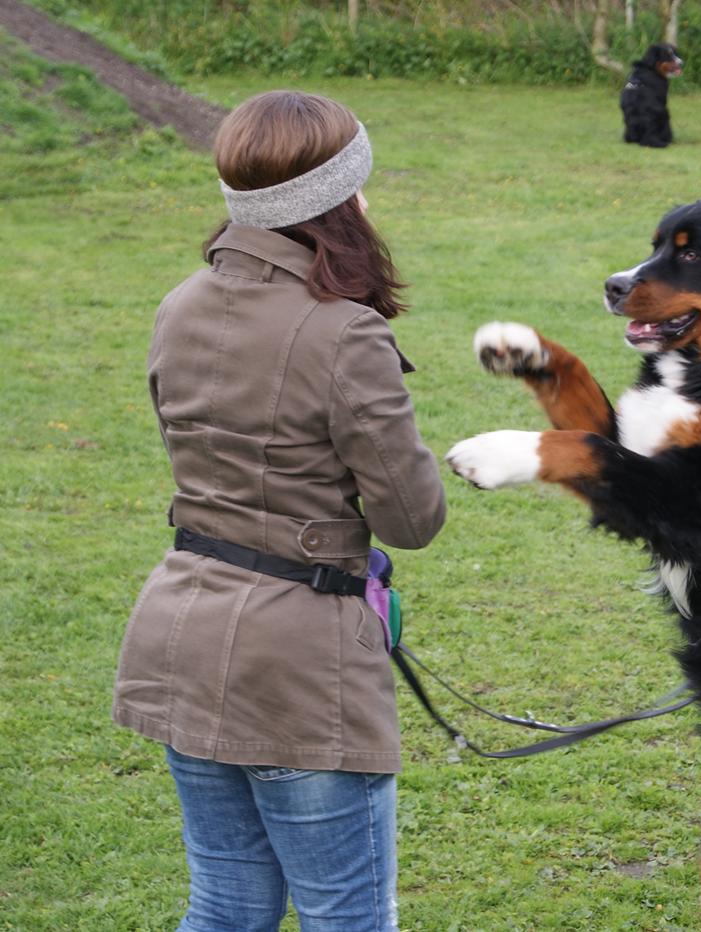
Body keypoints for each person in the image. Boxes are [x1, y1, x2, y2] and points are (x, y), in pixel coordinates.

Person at [112, 90, 446, 932]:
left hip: (181, 636)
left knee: (226, 908)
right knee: (347, 918)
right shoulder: (345, 332)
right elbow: (412, 518)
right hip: (297, 669)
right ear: (339, 201)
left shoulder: (179, 303)